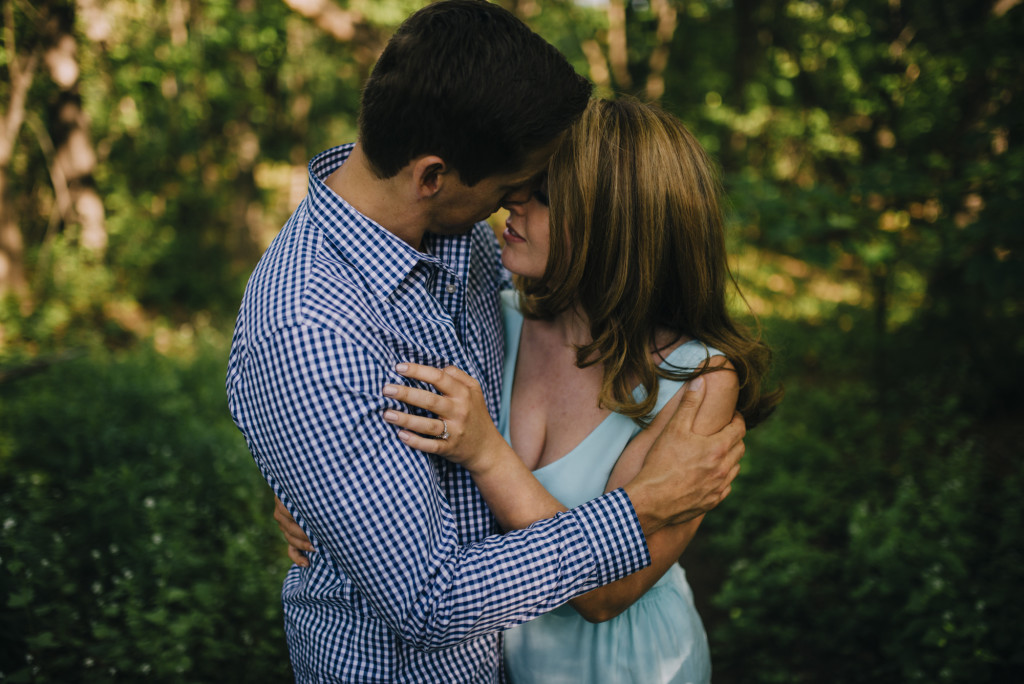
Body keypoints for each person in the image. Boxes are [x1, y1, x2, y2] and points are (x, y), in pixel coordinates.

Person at [229, 2, 745, 681]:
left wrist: (313, 475)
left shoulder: (462, 244)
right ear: (433, 177)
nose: (510, 209)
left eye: (532, 192)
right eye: (508, 189)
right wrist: (641, 509)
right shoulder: (307, 328)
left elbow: (614, 259)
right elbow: (430, 600)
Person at [375, 98, 781, 682]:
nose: (513, 199)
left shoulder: (698, 378)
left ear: (615, 225)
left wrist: (486, 452)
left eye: (542, 194)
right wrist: (318, 504)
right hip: (503, 661)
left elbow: (606, 593)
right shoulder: (497, 320)